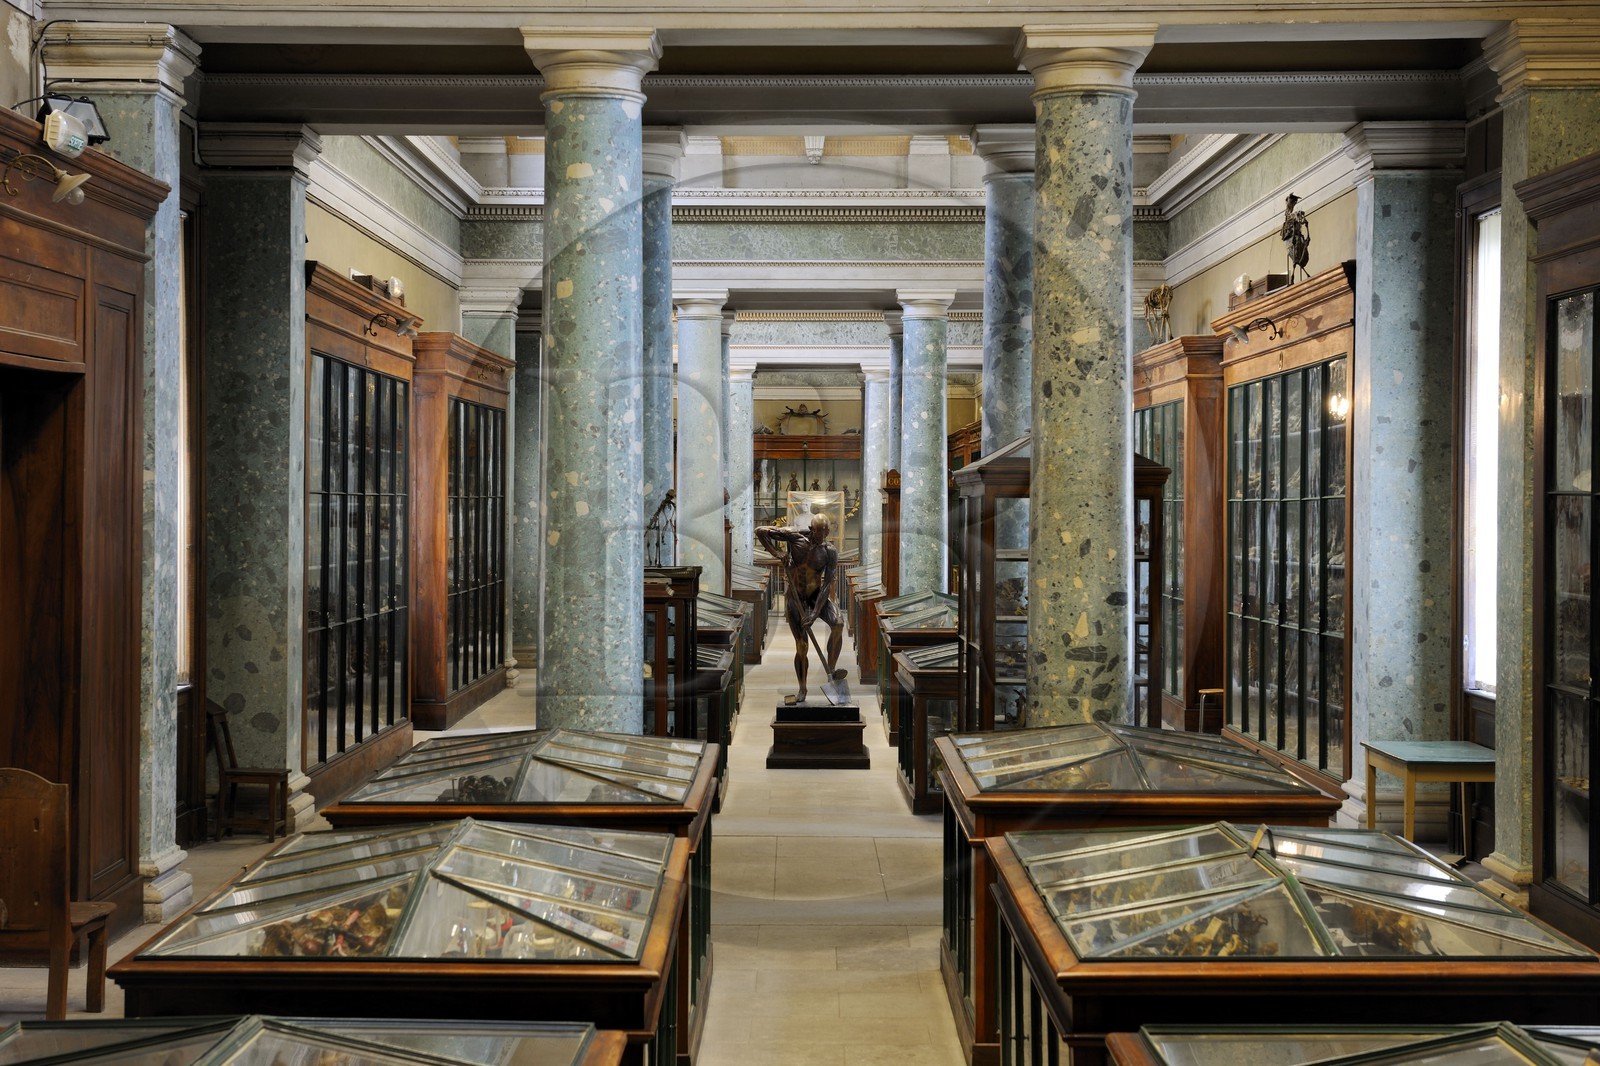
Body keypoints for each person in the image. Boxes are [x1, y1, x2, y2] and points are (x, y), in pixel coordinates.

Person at [756, 514, 843, 704]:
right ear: (812, 530)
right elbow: (761, 531)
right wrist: (776, 553)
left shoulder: (829, 551)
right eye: (820, 531)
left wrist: (814, 613)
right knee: (802, 646)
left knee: (838, 624)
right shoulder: (794, 536)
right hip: (795, 597)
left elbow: (827, 584)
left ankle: (832, 670)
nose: (823, 535)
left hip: (816, 596)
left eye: (826, 532)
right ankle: (802, 688)